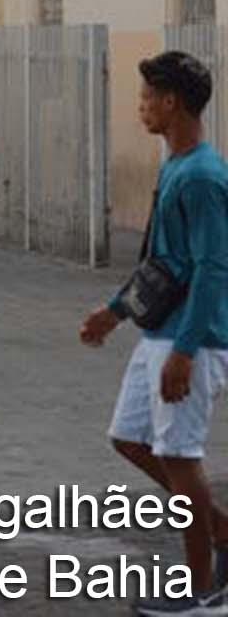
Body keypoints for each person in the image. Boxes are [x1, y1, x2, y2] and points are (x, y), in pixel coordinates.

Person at [83, 52, 228, 616]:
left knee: (180, 455)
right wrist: (115, 312)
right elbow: (164, 263)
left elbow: (214, 268)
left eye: (146, 97)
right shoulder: (174, 166)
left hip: (190, 340)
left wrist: (186, 353)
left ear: (172, 102)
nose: (140, 106)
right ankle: (218, 528)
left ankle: (202, 594)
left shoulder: (204, 178)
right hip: (159, 334)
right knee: (129, 437)